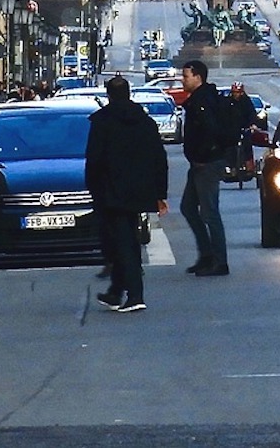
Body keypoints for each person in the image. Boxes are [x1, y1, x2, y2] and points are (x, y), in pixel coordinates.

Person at [84, 77, 168, 313]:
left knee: (123, 243)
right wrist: (160, 193)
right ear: (129, 93)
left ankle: (134, 294)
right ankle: (116, 292)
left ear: (108, 94)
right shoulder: (145, 122)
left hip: (111, 191)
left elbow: (94, 160)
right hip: (140, 191)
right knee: (126, 239)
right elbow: (159, 159)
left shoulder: (102, 122)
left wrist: (93, 189)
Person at [177, 60, 237, 276]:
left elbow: (211, 131)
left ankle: (220, 262)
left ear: (198, 77)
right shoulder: (200, 99)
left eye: (185, 76)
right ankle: (206, 255)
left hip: (207, 163)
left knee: (210, 212)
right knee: (188, 207)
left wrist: (203, 156)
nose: (182, 80)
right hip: (200, 164)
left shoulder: (204, 101)